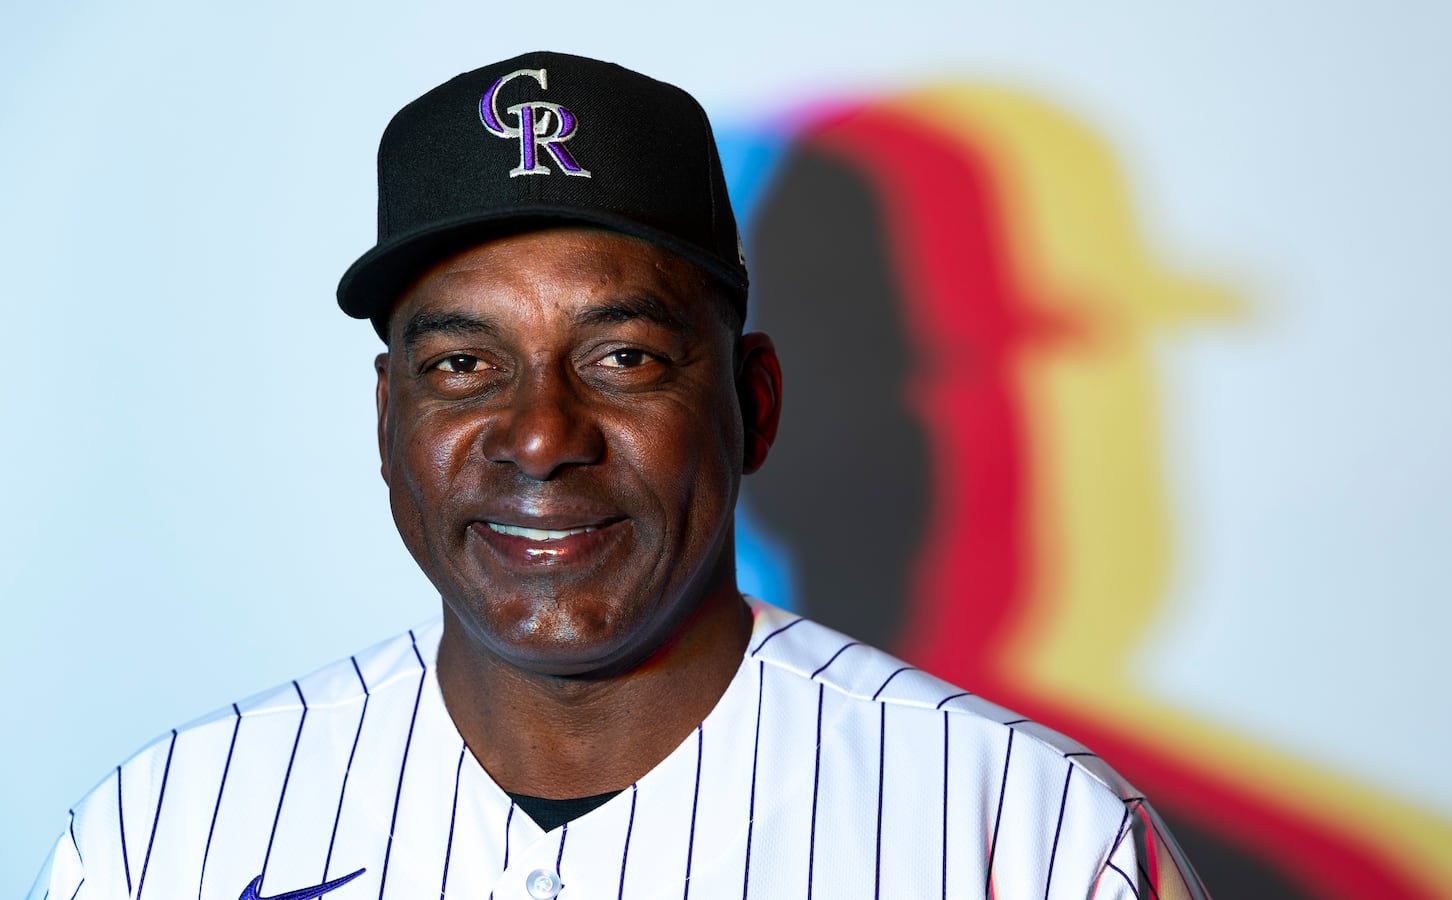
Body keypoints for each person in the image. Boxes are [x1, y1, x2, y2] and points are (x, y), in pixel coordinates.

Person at [29, 51, 1208, 900]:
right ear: (388, 422)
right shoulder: (162, 835)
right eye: (462, 364)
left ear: (752, 404)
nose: (541, 436)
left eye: (623, 357)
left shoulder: (1031, 834)